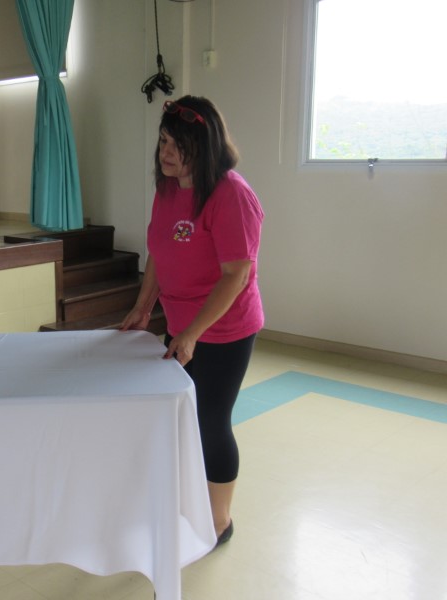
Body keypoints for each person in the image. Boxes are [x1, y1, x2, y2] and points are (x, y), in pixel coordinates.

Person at [121, 95, 264, 548]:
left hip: (224, 330)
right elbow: (159, 254)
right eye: (163, 141)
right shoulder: (167, 189)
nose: (165, 152)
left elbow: (236, 274)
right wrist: (144, 306)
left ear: (203, 147)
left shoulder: (230, 194)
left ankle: (219, 521)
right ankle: (186, 500)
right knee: (179, 415)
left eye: (177, 145)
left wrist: (192, 333)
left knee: (210, 420)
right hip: (183, 326)